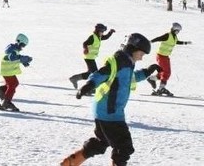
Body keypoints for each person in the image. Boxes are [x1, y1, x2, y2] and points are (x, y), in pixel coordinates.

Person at [61, 33, 162, 166]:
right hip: (110, 113)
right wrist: (88, 86)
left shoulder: (127, 63)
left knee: (101, 142)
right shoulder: (118, 62)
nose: (142, 58)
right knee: (124, 147)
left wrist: (147, 72)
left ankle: (70, 163)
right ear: (133, 49)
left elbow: (129, 79)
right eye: (141, 54)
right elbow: (99, 74)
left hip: (106, 111)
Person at [146, 22, 192, 96]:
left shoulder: (174, 37)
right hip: (161, 56)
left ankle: (152, 79)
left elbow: (177, 42)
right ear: (174, 30)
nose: (178, 32)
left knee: (164, 72)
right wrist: (150, 41)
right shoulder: (168, 35)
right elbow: (159, 38)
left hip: (165, 57)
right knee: (167, 72)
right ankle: (161, 88)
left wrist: (185, 43)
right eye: (178, 30)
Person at [68, 23, 116, 90]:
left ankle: (75, 78)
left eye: (103, 32)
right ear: (98, 31)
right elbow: (85, 43)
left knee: (91, 73)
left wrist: (110, 32)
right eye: (102, 31)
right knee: (94, 74)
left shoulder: (98, 37)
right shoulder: (92, 37)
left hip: (91, 57)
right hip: (88, 57)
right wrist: (86, 49)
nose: (102, 33)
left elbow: (106, 37)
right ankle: (89, 89)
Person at [0, 33, 32, 111]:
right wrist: (22, 58)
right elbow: (12, 58)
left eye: (24, 45)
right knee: (13, 84)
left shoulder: (14, 49)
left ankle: (1, 92)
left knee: (13, 83)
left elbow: (15, 58)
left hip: (7, 70)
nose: (22, 47)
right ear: (18, 42)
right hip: (7, 71)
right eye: (22, 44)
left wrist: (23, 61)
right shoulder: (13, 50)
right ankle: (6, 102)